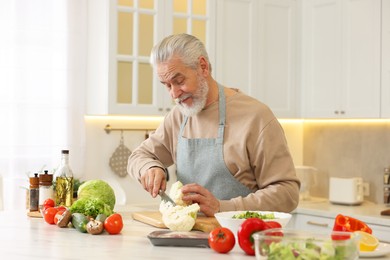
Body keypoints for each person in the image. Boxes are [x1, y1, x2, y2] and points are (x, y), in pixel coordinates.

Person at [127, 33, 300, 217]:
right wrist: (149, 168)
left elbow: (287, 193)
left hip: (241, 240)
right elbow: (139, 156)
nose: (174, 94)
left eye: (179, 81)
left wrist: (223, 207)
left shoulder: (256, 117)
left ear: (203, 67)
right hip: (187, 239)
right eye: (167, 85)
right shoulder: (179, 116)